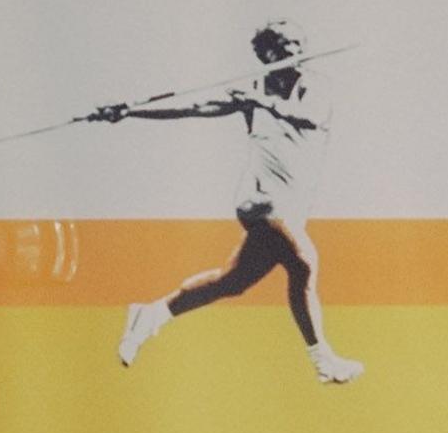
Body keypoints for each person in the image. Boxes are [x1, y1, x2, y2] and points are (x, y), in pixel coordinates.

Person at [97, 27, 360, 383]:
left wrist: (261, 102)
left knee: (232, 282)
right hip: (261, 201)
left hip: (289, 209)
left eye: (298, 44)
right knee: (304, 263)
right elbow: (193, 107)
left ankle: (151, 314)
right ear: (265, 55)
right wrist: (129, 111)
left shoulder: (314, 88)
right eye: (282, 47)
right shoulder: (253, 92)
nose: (293, 51)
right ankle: (323, 360)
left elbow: (310, 116)